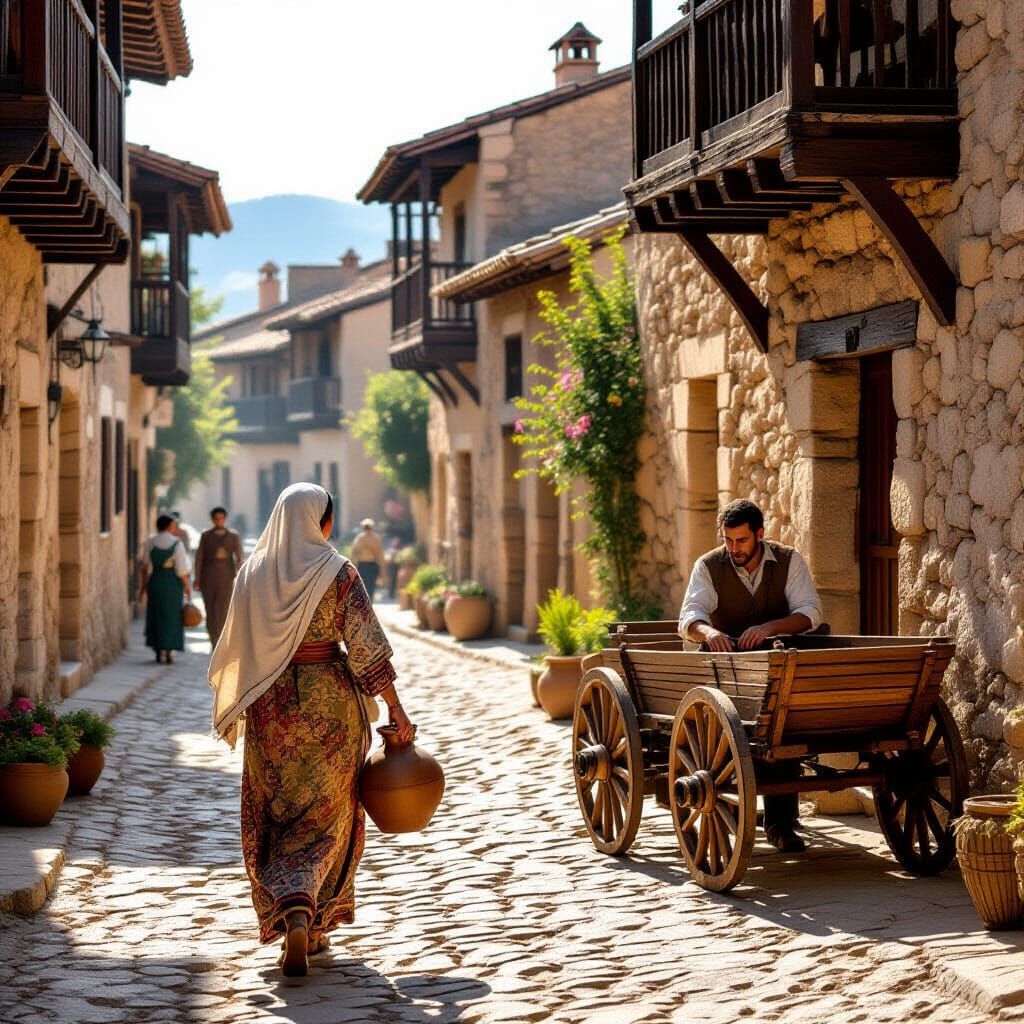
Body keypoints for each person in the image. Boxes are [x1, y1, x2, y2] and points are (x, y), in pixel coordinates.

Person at [208, 483, 416, 978]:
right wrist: (397, 711)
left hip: (270, 713)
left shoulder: (251, 573)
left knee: (275, 813)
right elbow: (366, 647)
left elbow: (235, 645)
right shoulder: (338, 572)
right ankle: (310, 917)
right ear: (320, 522)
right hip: (331, 713)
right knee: (330, 817)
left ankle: (294, 915)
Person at [678, 499, 822, 854]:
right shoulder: (709, 566)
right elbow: (690, 616)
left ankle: (780, 827)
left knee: (784, 726)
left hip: (776, 667)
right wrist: (709, 633)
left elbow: (810, 612)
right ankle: (727, 816)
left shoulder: (788, 561)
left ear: (759, 534)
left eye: (741, 541)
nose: (733, 548)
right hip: (724, 671)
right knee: (723, 738)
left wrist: (770, 627)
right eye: (727, 540)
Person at [139, 514, 193, 664]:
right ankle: (169, 651)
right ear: (169, 526)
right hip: (172, 584)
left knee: (156, 614)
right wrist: (187, 586)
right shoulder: (177, 543)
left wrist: (143, 587)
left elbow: (144, 566)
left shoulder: (150, 541)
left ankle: (157, 650)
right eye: (173, 525)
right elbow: (182, 570)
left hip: (155, 581)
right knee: (172, 616)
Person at [194, 507, 245, 647]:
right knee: (210, 610)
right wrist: (197, 579)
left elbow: (240, 558)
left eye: (221, 518)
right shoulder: (206, 536)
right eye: (216, 519)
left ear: (225, 519)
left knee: (223, 610)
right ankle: (213, 640)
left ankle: (222, 642)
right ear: (212, 520)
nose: (219, 521)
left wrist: (240, 578)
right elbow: (199, 558)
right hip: (208, 579)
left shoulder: (233, 536)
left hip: (227, 578)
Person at [349, 518, 387, 601]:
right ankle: (369, 603)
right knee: (371, 586)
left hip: (364, 565)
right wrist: (382, 567)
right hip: (370, 565)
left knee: (364, 585)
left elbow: (354, 552)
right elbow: (379, 554)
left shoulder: (360, 538)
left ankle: (366, 604)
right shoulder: (375, 538)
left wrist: (352, 564)